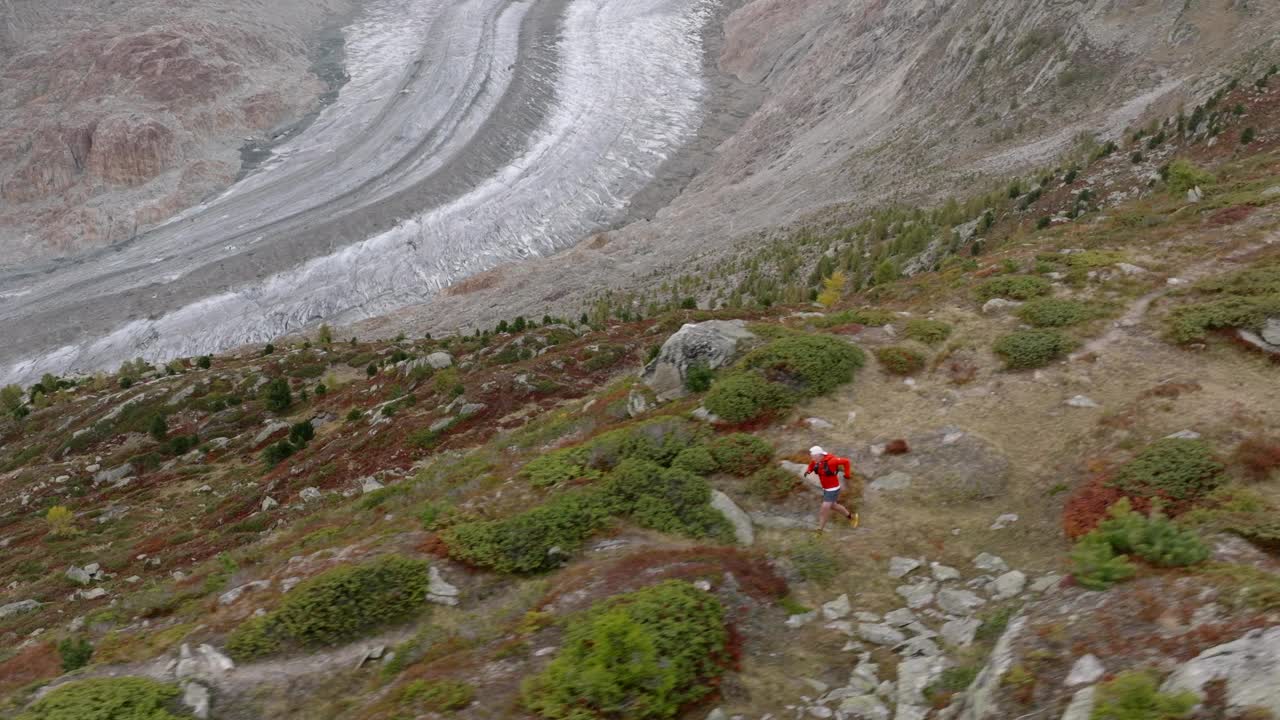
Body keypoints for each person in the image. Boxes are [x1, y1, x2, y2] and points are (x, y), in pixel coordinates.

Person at [804, 445, 859, 532]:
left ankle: (819, 531)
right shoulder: (817, 460)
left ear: (819, 455)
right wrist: (809, 470)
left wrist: (847, 475)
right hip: (826, 489)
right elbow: (812, 464)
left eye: (813, 457)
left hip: (833, 489)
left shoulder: (832, 461)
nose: (812, 459)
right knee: (834, 506)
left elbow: (846, 461)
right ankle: (852, 517)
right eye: (812, 457)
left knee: (824, 509)